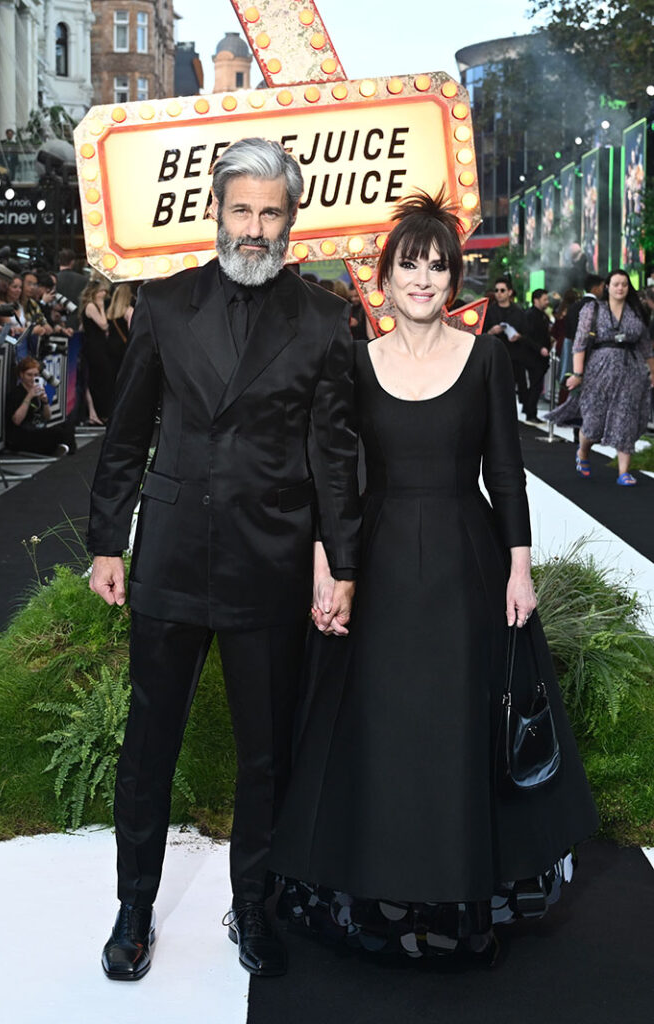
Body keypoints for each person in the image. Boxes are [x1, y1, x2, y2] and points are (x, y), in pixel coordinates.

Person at [270, 189, 599, 964]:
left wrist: (519, 566)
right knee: (380, 732)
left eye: (438, 266)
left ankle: (458, 893)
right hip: (376, 567)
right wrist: (326, 566)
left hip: (466, 563)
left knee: (455, 731)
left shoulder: (483, 356)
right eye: (409, 264)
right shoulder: (353, 363)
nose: (422, 278)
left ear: (456, 282)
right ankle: (379, 895)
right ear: (382, 278)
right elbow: (335, 480)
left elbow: (506, 472)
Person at [86, 137, 360, 982]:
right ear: (216, 212)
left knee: (265, 755)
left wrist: (339, 562)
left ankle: (255, 906)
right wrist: (107, 537)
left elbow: (335, 455)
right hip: (169, 557)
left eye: (269, 212)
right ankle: (134, 910)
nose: (253, 227)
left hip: (268, 564)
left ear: (290, 221)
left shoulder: (322, 317)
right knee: (148, 747)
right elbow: (126, 432)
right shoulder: (164, 304)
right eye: (240, 209)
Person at [547, 269, 654, 485]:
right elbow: (580, 343)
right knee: (593, 421)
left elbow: (646, 347)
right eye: (616, 284)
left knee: (626, 419)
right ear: (607, 286)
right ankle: (583, 451)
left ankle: (624, 472)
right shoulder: (593, 309)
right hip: (599, 369)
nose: (620, 288)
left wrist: (652, 372)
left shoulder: (635, 311)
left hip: (630, 371)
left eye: (624, 284)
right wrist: (577, 374)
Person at [5, 356, 75, 456]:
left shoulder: (37, 390)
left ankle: (67, 451)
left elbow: (47, 417)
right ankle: (57, 449)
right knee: (55, 433)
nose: (33, 379)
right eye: (29, 375)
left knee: (67, 425)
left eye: (36, 375)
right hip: (21, 433)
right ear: (22, 375)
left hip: (36, 427)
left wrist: (45, 402)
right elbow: (17, 420)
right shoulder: (16, 393)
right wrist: (29, 397)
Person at [481, 277, 531, 416]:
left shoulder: (519, 312)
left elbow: (527, 333)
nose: (499, 293)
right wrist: (491, 331)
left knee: (515, 387)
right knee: (495, 389)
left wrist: (518, 336)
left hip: (514, 355)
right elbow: (481, 333)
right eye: (496, 290)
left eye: (502, 290)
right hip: (494, 356)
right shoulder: (490, 311)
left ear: (510, 292)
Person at [80, 277, 114, 422]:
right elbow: (104, 325)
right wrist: (101, 307)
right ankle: (100, 412)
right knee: (100, 378)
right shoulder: (92, 306)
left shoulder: (89, 306)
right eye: (101, 291)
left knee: (102, 378)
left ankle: (102, 411)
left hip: (97, 345)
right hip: (95, 347)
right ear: (95, 292)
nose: (104, 294)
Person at [522, 287, 552, 424]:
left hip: (540, 356)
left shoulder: (543, 315)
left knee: (537, 385)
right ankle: (530, 412)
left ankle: (530, 411)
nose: (547, 302)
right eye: (544, 299)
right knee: (535, 385)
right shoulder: (530, 315)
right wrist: (539, 348)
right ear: (536, 300)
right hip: (533, 356)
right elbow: (527, 336)